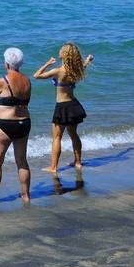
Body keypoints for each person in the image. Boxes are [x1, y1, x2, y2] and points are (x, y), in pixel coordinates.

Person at [0, 47, 32, 205]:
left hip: (6, 124)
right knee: (22, 161)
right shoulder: (27, 80)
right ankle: (26, 196)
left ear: (7, 64)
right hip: (24, 123)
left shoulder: (4, 80)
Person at [33, 43, 94, 172]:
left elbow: (36, 75)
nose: (59, 50)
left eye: (61, 49)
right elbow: (84, 65)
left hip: (62, 107)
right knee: (73, 134)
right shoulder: (75, 70)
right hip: (73, 105)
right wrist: (88, 60)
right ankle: (78, 162)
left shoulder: (58, 71)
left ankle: (53, 167)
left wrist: (48, 63)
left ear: (65, 54)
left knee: (57, 137)